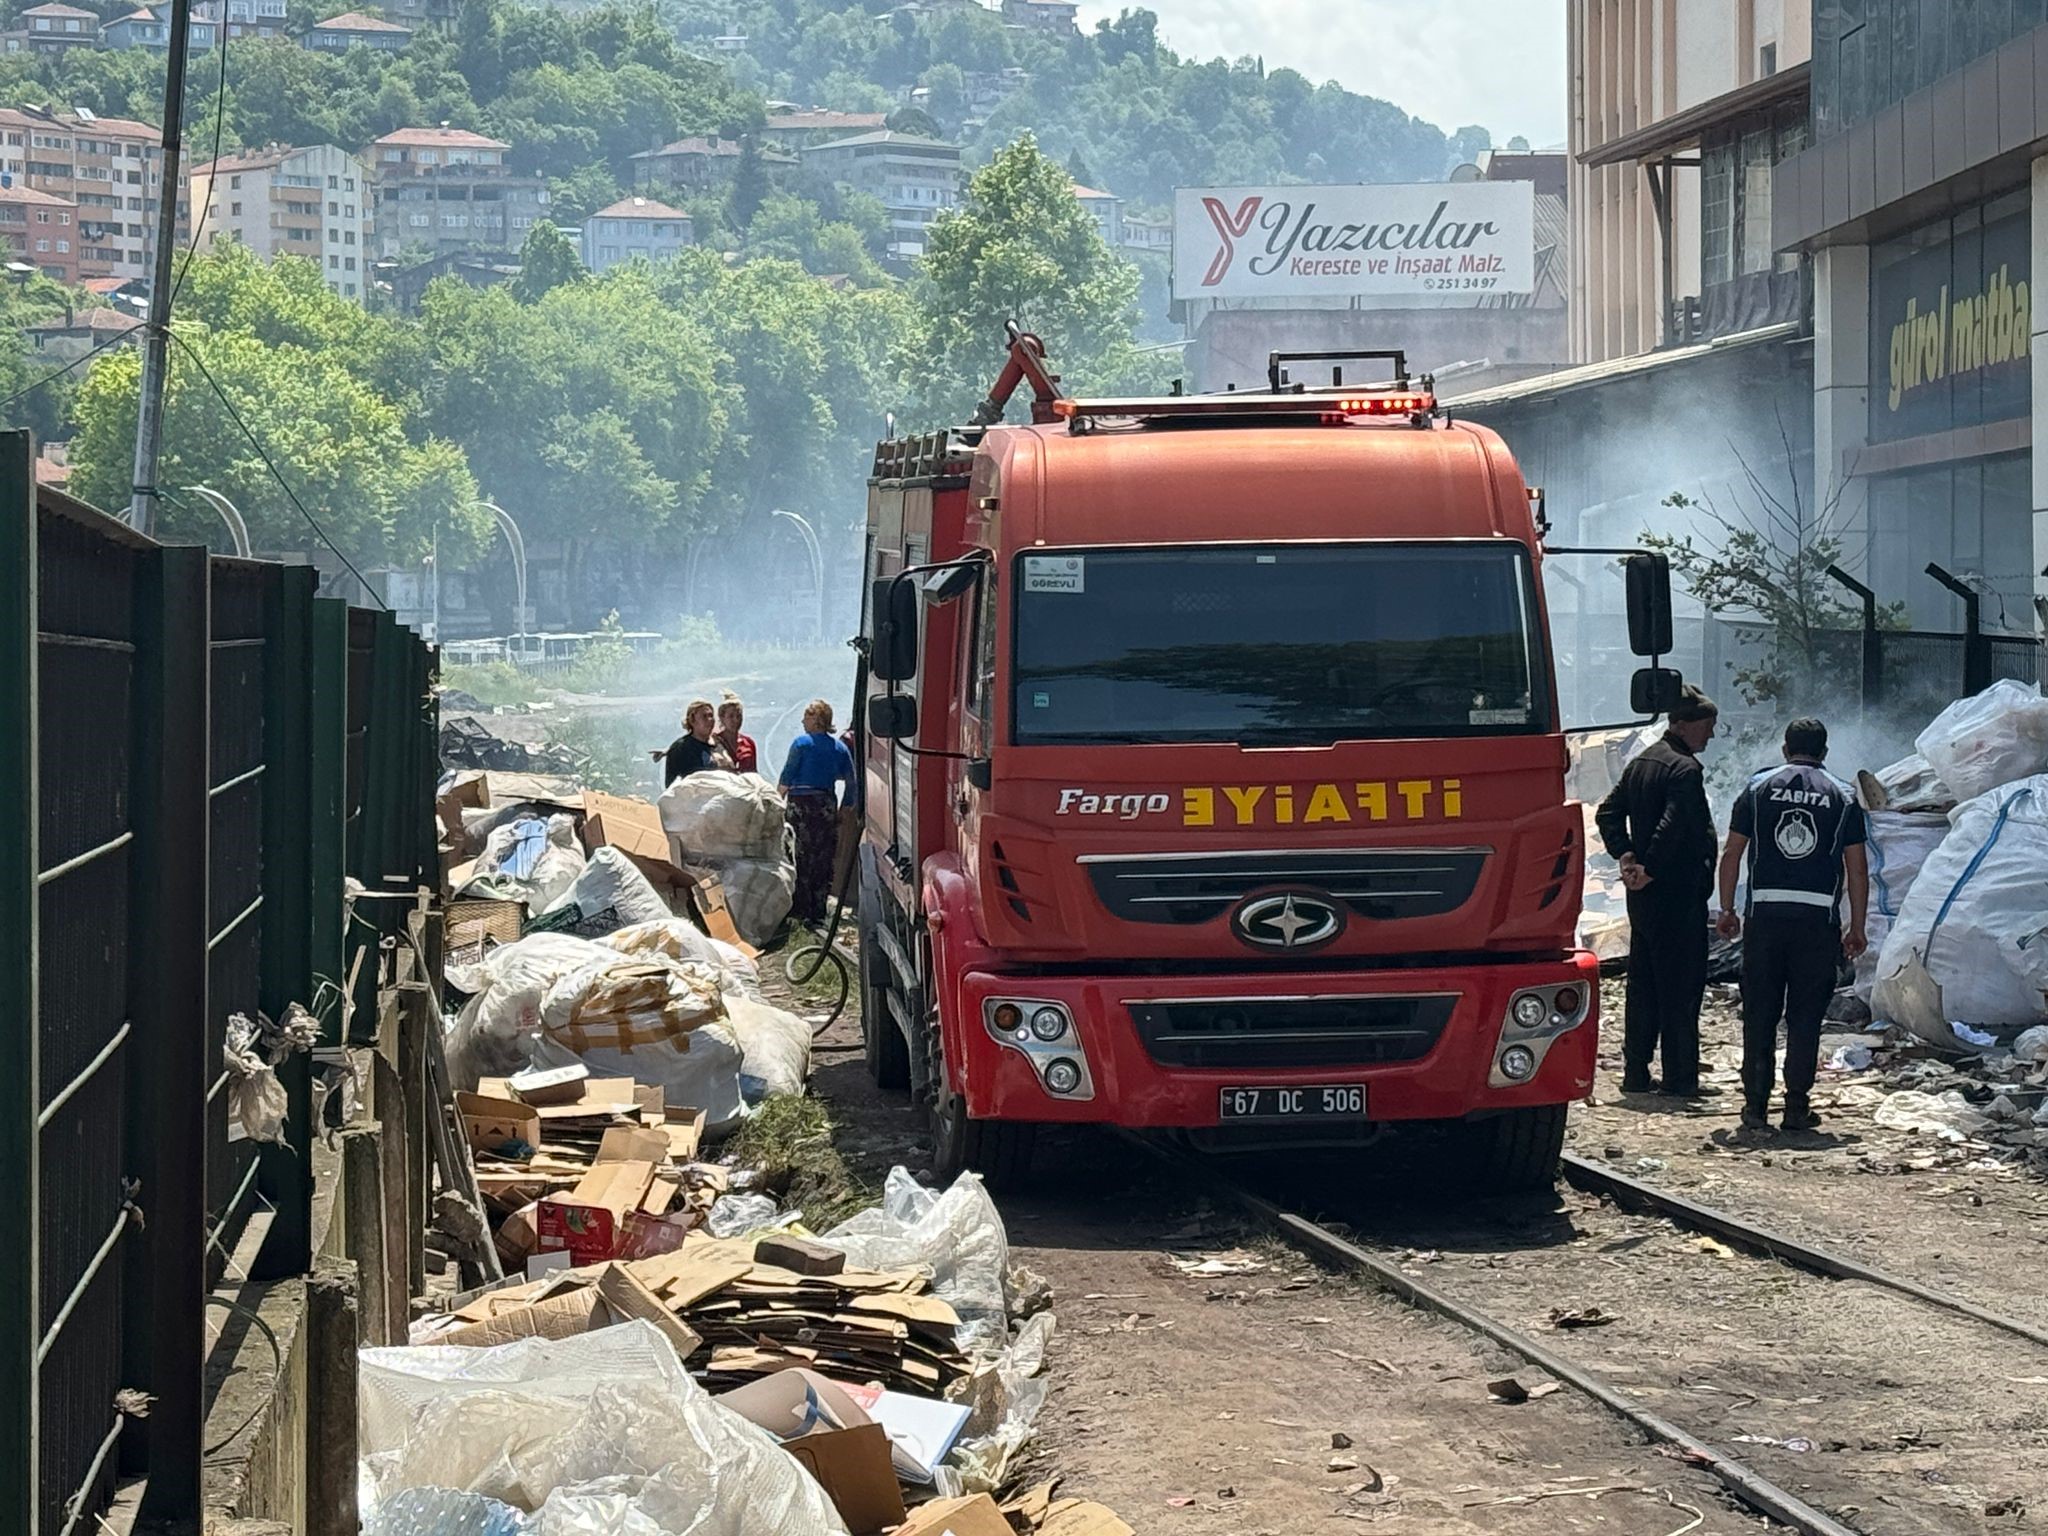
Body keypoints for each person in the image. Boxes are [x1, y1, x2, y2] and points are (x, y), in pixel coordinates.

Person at [1716, 718, 1869, 1135]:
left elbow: (1732, 854)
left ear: (1786, 749)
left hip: (1764, 919)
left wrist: (1727, 909)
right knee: (1805, 1018)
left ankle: (1754, 1108)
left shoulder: (1757, 788)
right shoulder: (1844, 796)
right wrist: (1856, 926)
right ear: (1824, 752)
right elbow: (1857, 870)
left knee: (1760, 1014)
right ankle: (1797, 1108)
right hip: (1816, 923)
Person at [1594, 686, 1721, 1099]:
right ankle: (1680, 1079)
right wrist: (1648, 866)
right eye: (1707, 726)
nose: (1711, 735)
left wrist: (1626, 855)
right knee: (1681, 988)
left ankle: (1635, 1072)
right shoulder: (1684, 770)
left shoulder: (1642, 763)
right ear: (1682, 725)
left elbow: (1607, 813)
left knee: (1643, 984)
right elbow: (1676, 825)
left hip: (1644, 898)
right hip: (1676, 894)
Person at [780, 698, 857, 924]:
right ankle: (818, 909)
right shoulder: (840, 748)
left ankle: (800, 908)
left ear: (817, 719)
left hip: (801, 804)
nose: (803, 720)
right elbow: (851, 782)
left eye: (807, 715)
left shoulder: (801, 744)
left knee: (799, 854)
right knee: (824, 856)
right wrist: (844, 808)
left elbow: (787, 775)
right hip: (826, 805)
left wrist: (776, 801)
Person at [654, 699, 725, 787]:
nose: (709, 720)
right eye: (704, 716)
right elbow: (672, 784)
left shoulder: (718, 743)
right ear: (692, 721)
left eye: (711, 715)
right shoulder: (681, 748)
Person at [716, 691, 758, 775]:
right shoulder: (715, 743)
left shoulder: (748, 743)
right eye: (731, 716)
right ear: (722, 718)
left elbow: (754, 772)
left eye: (739, 716)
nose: (736, 720)